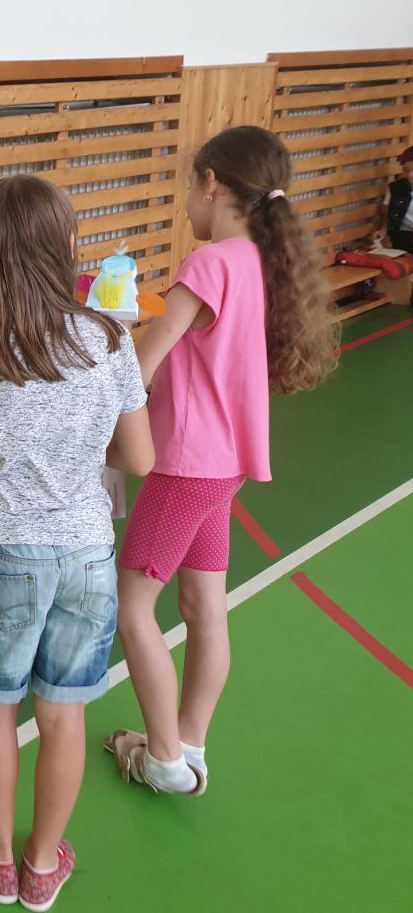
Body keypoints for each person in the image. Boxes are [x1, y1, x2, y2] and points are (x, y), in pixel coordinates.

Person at [0, 174, 154, 910]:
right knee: (65, 714)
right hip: (86, 552)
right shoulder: (110, 339)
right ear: (63, 245)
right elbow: (140, 456)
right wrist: (75, 450)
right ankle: (43, 862)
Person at [108, 125, 337, 793]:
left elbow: (142, 365)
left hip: (186, 465)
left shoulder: (208, 264)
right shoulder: (265, 261)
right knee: (204, 604)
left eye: (190, 185)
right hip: (224, 466)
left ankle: (163, 758)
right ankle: (190, 745)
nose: (187, 200)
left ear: (212, 183)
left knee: (132, 608)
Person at [371, 144, 413, 253]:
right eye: (406, 170)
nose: (410, 175)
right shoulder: (394, 188)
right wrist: (383, 231)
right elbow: (388, 214)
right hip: (402, 237)